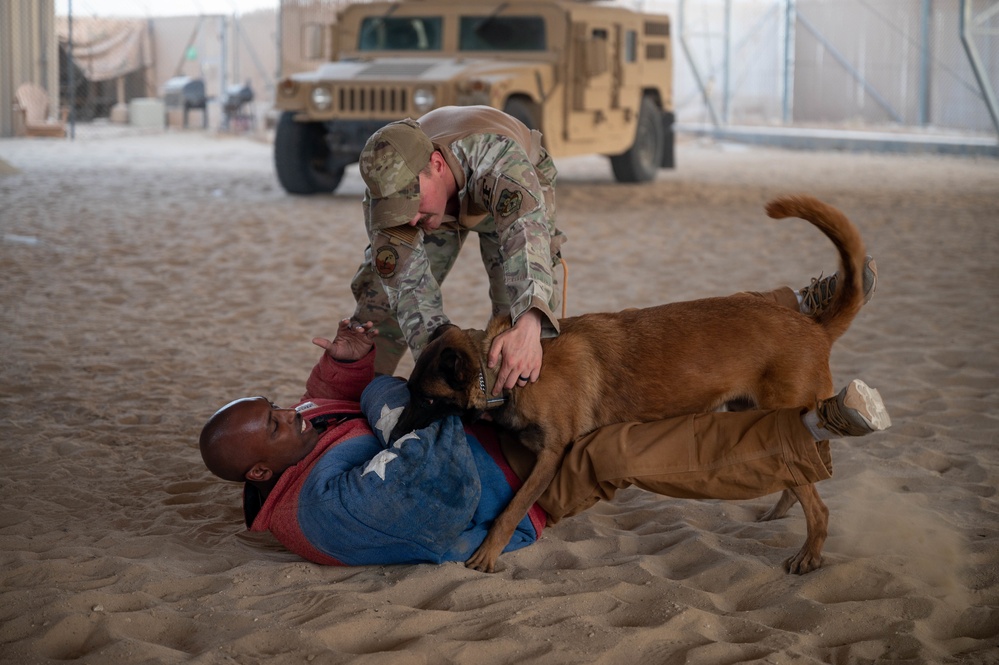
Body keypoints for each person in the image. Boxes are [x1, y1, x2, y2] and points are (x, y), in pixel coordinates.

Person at [199, 318, 891, 568]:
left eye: (277, 404)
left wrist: (348, 365)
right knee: (623, 451)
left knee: (618, 363)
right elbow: (437, 492)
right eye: (275, 421)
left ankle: (782, 318)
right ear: (261, 467)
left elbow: (328, 399)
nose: (293, 412)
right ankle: (805, 427)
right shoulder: (323, 512)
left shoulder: (303, 438)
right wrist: (390, 403)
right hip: (513, 487)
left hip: (499, 429)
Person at [348, 105, 878, 394]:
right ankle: (361, 403)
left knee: (519, 326)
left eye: (412, 204)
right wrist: (418, 377)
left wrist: (530, 322)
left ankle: (790, 301)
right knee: (380, 299)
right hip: (456, 196)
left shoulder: (502, 168)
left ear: (436, 166)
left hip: (517, 194)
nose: (409, 219)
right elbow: (404, 288)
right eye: (395, 212)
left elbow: (527, 248)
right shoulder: (397, 191)